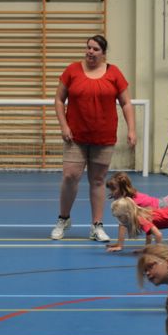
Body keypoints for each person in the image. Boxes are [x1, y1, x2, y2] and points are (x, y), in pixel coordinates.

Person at [51, 35, 137, 243]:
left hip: (104, 136)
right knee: (70, 176)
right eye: (88, 48)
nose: (90, 51)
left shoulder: (114, 73)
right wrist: (64, 125)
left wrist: (132, 129)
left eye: (95, 49)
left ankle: (96, 226)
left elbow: (126, 103)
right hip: (76, 136)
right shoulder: (72, 70)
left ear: (103, 53)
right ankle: (63, 219)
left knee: (98, 180)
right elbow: (59, 99)